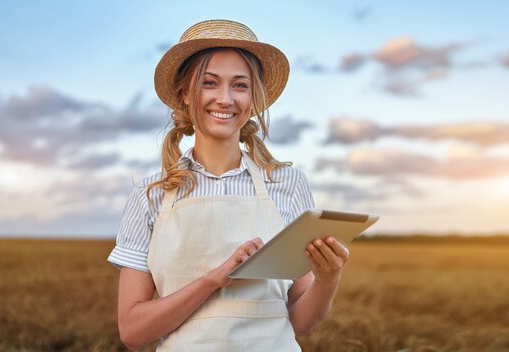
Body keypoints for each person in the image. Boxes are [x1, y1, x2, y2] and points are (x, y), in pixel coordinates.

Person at [107, 19, 350, 351]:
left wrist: (327, 278)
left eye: (239, 85)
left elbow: (297, 322)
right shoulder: (150, 195)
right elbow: (133, 332)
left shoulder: (287, 184)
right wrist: (213, 280)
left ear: (253, 98)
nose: (225, 99)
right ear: (185, 93)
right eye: (210, 83)